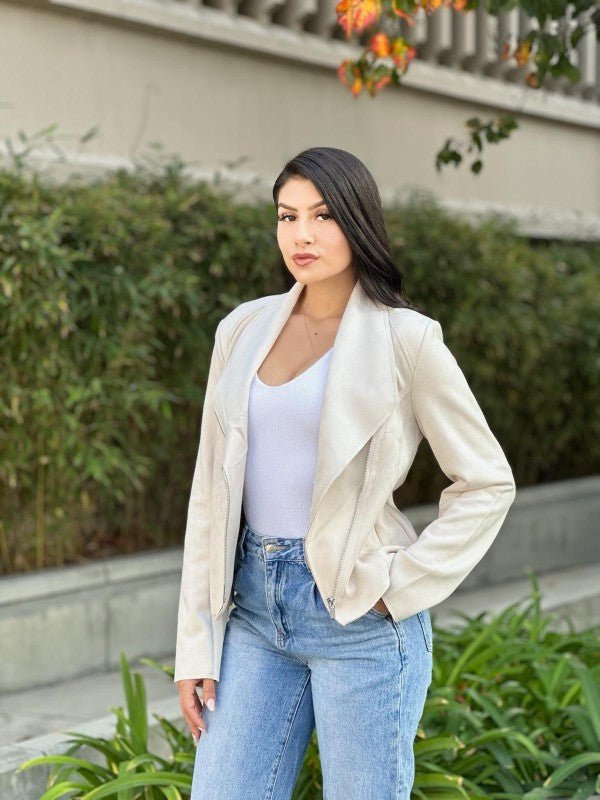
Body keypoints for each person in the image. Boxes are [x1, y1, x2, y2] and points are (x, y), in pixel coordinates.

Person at [174, 146, 517, 800]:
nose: (301, 234)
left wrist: (397, 587)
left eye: (323, 216)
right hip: (252, 613)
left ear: (357, 222)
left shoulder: (405, 339)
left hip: (359, 618)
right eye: (287, 216)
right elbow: (210, 497)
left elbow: (486, 481)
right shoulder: (241, 330)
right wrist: (196, 642)